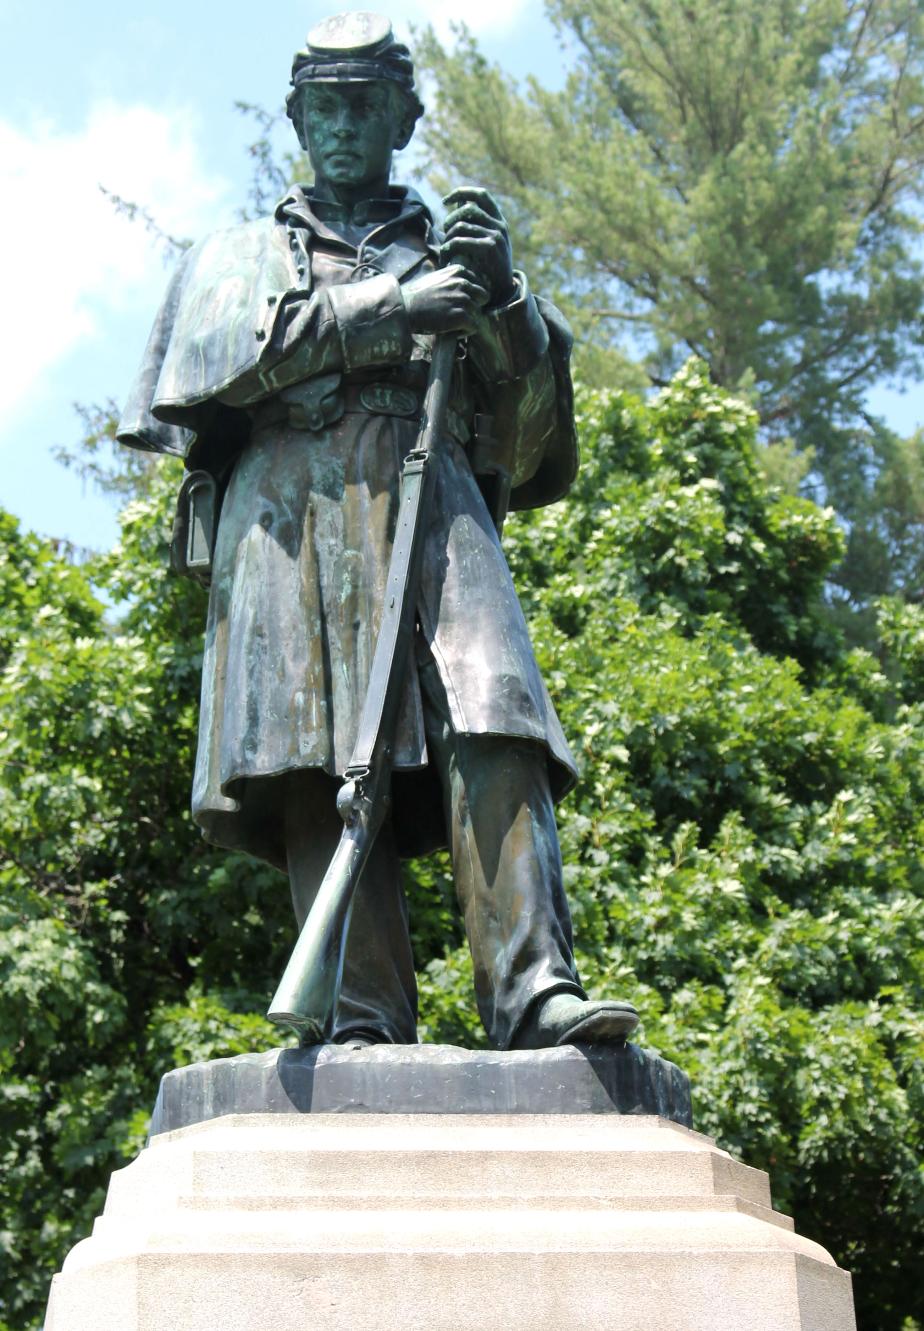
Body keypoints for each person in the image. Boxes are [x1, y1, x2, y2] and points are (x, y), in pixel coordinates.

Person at [117, 11, 639, 1051]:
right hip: (293, 512)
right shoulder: (239, 251)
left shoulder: (454, 252)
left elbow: (531, 439)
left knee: (497, 717)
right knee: (317, 756)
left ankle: (536, 994)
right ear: (295, 115)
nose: (344, 124)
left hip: (434, 498)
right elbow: (218, 363)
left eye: (365, 104)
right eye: (325, 106)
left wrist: (506, 304)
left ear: (405, 113)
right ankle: (360, 1021)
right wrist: (397, 309)